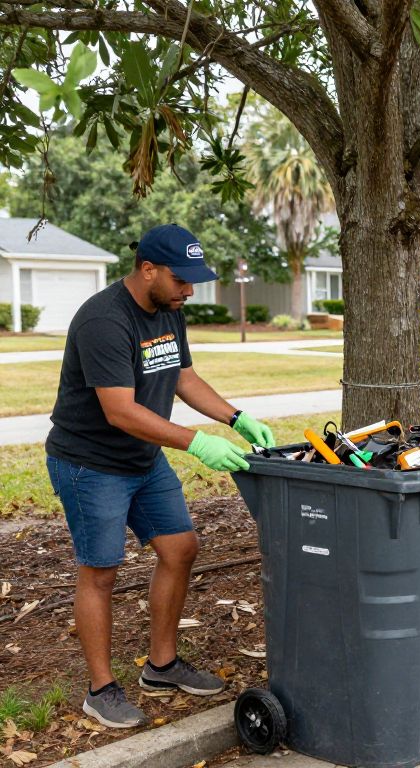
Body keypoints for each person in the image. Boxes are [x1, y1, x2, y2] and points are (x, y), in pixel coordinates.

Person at [45, 224, 276, 729]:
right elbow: (120, 411)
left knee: (180, 547)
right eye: (181, 279)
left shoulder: (170, 311)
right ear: (147, 269)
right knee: (100, 571)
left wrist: (234, 418)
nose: (189, 290)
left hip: (143, 460)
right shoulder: (104, 320)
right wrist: (197, 442)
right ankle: (101, 689)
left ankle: (162, 665)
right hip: (90, 463)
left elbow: (183, 376)